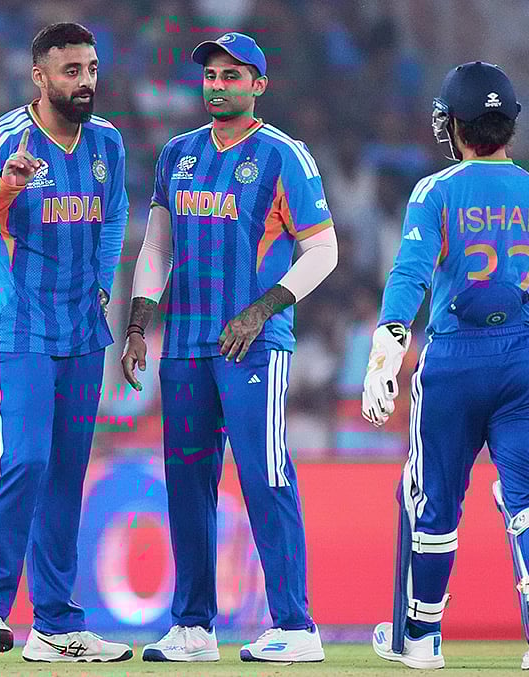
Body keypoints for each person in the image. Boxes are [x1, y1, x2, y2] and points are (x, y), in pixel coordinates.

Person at [120, 32, 338, 663]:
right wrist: (139, 325)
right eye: (212, 75)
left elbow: (323, 249)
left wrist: (262, 309)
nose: (218, 84)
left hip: (254, 344)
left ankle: (296, 627)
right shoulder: (177, 155)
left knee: (265, 473)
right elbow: (156, 246)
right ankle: (193, 627)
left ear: (258, 85)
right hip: (184, 342)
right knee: (186, 482)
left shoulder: (283, 155)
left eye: (233, 76)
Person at [364, 62, 529, 671]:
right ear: (509, 124)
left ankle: (422, 636)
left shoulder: (436, 191)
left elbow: (410, 275)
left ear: (454, 124)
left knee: (432, 498)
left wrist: (387, 351)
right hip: (526, 355)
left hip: (455, 356)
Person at [0, 23, 131, 663]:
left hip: (82, 334)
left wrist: (104, 287)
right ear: (40, 78)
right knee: (21, 462)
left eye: (92, 69)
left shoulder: (107, 142)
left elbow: (115, 215)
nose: (85, 83)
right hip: (19, 329)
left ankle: (55, 626)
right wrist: (6, 189)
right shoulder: (2, 143)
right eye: (71, 71)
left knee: (66, 477)